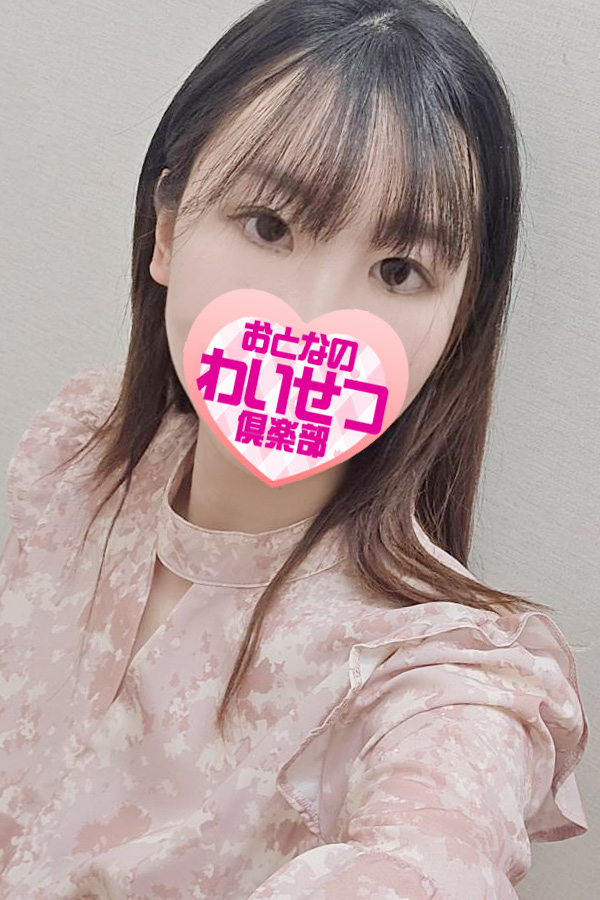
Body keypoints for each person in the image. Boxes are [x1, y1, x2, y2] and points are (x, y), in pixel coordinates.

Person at [0, 0, 589, 897]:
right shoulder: (76, 448)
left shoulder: (444, 678)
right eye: (270, 225)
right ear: (168, 232)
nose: (313, 317)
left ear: (454, 328)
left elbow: (433, 851)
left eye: (398, 271)